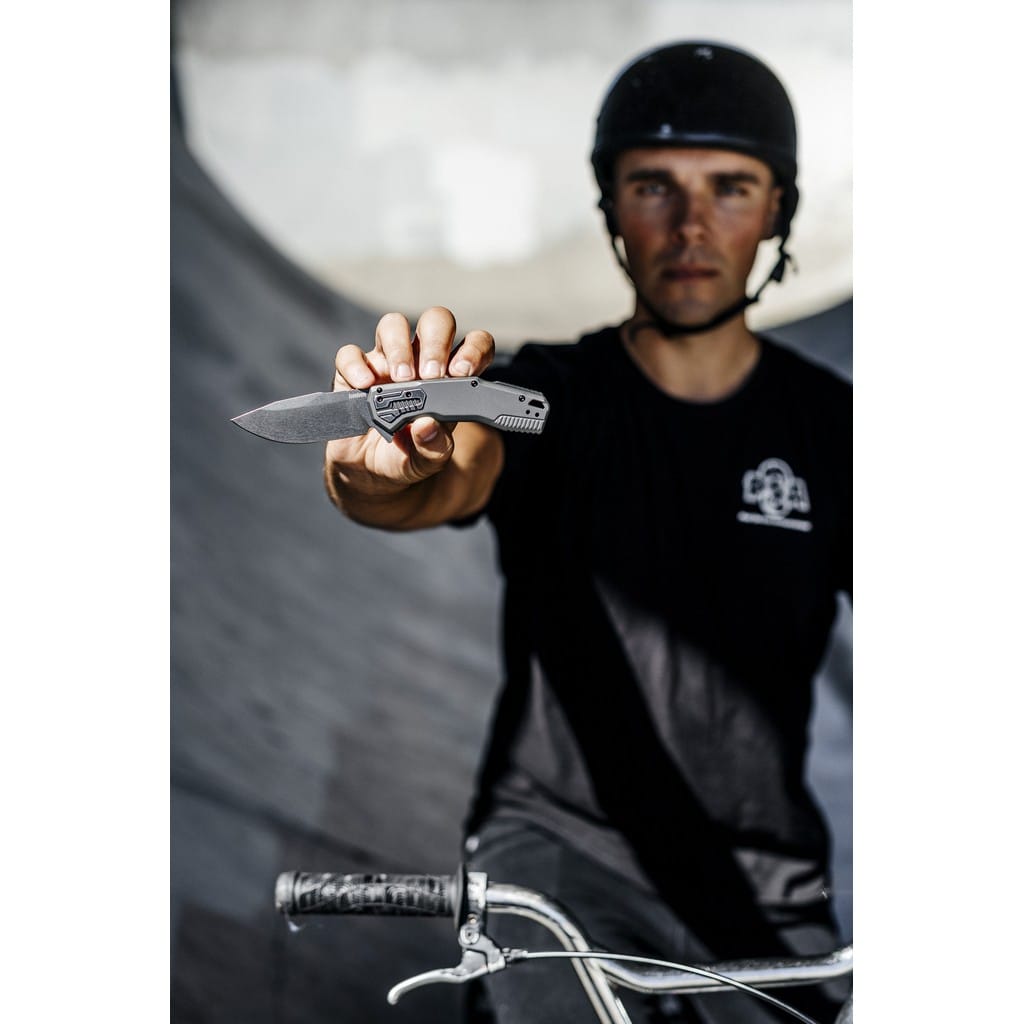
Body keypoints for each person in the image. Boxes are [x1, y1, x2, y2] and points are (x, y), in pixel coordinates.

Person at [324, 41, 851, 1024]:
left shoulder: (835, 431)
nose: (690, 225)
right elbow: (441, 475)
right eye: (654, 186)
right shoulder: (551, 397)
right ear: (610, 206)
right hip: (562, 858)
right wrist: (384, 469)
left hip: (766, 887)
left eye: (730, 187)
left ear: (777, 209)